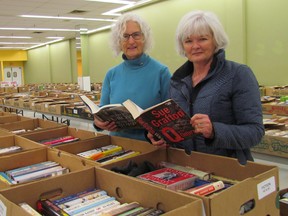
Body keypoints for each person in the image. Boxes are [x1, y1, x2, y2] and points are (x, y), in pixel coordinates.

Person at [147, 10, 264, 165]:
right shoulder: (177, 81)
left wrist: (214, 131)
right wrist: (161, 136)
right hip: (187, 168)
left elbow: (255, 132)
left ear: (216, 40)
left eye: (202, 39)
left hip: (228, 169)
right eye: (188, 41)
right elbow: (178, 132)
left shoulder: (238, 74)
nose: (195, 46)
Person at [93, 12, 171, 141]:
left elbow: (171, 115)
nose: (131, 41)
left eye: (136, 35)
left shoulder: (161, 72)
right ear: (119, 41)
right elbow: (101, 111)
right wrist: (98, 123)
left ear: (144, 38)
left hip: (151, 147)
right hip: (117, 147)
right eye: (125, 36)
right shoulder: (111, 74)